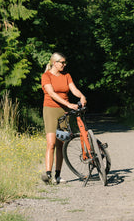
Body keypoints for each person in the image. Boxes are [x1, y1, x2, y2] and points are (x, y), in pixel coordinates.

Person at [41, 52, 87, 184]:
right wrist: (68, 104)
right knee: (51, 143)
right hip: (50, 110)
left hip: (64, 112)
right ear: (54, 63)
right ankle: (48, 175)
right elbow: (51, 93)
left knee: (61, 144)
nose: (64, 65)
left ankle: (57, 175)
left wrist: (82, 96)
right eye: (62, 62)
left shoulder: (66, 76)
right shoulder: (46, 76)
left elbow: (74, 89)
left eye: (64, 62)